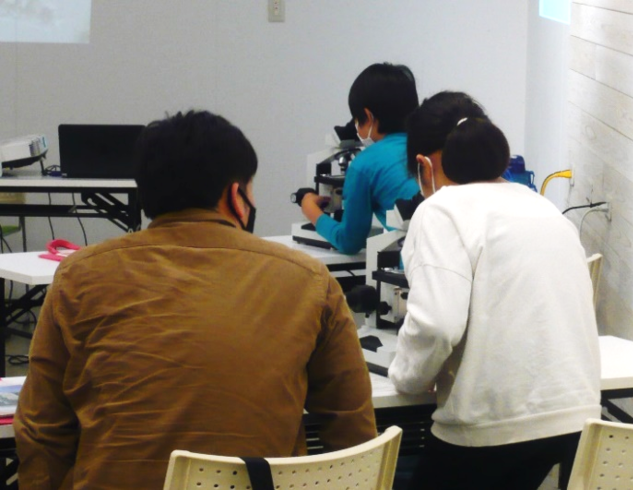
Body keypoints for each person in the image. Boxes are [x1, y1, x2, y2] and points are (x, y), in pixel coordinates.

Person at [14, 110, 377, 489]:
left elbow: (41, 427)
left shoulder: (78, 276)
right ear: (236, 196)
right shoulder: (308, 280)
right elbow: (352, 431)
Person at [388, 92, 601, 490]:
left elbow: (436, 324)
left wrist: (406, 375)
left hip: (491, 428)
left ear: (423, 165)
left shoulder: (440, 209)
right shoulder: (543, 207)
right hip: (576, 420)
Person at [300, 62, 420, 254]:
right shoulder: (429, 147)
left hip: (416, 261)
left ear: (367, 116)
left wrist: (311, 210)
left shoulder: (364, 164)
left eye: (356, 120)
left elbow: (350, 242)